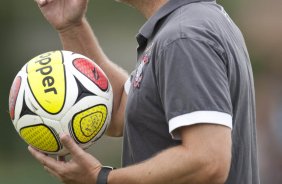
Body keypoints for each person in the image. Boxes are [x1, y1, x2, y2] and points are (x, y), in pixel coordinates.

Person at [29, 0, 260, 183]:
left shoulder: (183, 37)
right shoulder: (187, 25)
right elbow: (117, 109)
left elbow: (208, 161)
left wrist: (102, 178)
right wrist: (71, 26)